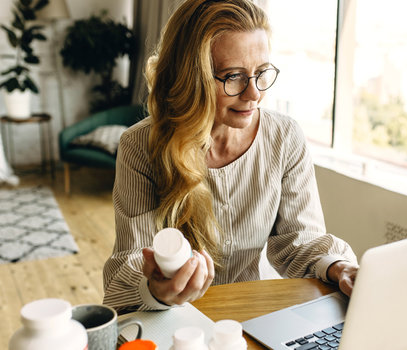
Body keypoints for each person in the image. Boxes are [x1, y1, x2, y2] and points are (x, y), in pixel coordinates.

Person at [103, 0, 358, 313]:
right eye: (234, 76)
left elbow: (299, 241)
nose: (254, 94)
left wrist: (339, 267)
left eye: (262, 72)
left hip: (257, 312)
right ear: (190, 77)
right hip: (178, 318)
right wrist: (157, 289)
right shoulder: (140, 146)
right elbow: (129, 265)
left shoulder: (285, 136)